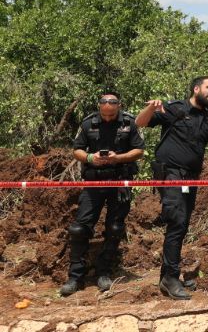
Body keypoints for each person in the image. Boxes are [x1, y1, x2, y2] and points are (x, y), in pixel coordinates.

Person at [136, 76, 208, 300]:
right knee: (177, 221)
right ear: (196, 89)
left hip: (192, 178)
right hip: (170, 173)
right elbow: (141, 123)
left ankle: (166, 277)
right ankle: (170, 278)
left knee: (181, 224)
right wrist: (150, 107)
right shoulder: (175, 107)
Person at [60, 92, 145, 296]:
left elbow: (139, 150)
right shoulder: (88, 123)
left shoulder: (130, 122)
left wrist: (119, 158)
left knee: (115, 228)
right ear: (99, 107)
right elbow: (77, 150)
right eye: (104, 114)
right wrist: (90, 157)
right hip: (94, 180)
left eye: (111, 114)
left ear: (118, 106)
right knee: (80, 228)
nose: (107, 118)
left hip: (120, 181)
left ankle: (104, 272)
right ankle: (75, 277)